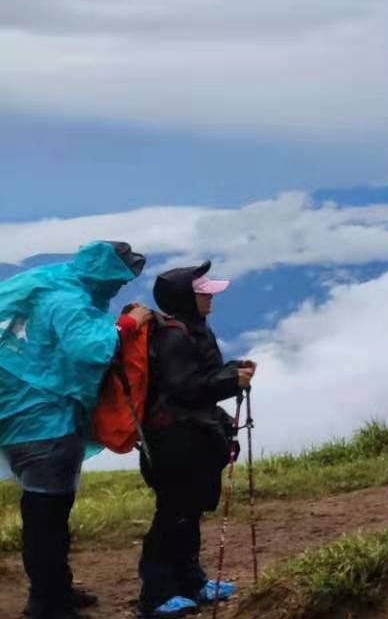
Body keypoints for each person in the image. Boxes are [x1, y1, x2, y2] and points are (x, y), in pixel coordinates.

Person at [0, 240, 148, 619]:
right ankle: (47, 604)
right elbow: (92, 350)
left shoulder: (50, 282)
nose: (121, 285)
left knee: (47, 512)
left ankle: (56, 588)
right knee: (46, 517)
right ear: (106, 272)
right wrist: (130, 324)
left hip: (22, 413)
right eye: (121, 277)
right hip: (43, 421)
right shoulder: (69, 301)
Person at [137, 262, 255, 618]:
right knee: (173, 515)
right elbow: (185, 389)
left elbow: (198, 378)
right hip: (173, 440)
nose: (210, 297)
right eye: (203, 292)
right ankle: (156, 596)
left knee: (188, 513)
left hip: (190, 436)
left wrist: (232, 370)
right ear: (186, 299)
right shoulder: (175, 336)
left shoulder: (192, 329)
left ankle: (191, 582)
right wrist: (231, 381)